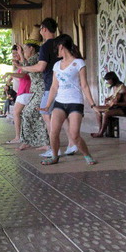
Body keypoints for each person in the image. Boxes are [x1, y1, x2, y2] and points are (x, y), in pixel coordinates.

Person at [19, 18, 77, 155]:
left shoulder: (46, 46)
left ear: (44, 29)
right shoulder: (61, 44)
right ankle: (72, 144)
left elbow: (41, 67)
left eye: (40, 30)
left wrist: (25, 68)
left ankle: (53, 148)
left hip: (51, 86)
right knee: (64, 117)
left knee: (46, 115)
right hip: (66, 84)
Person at [39, 34, 98, 165]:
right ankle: (54, 156)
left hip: (75, 102)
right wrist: (48, 105)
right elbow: (54, 86)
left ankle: (87, 155)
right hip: (60, 102)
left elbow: (84, 85)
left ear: (61, 46)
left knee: (74, 134)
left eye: (56, 49)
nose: (55, 52)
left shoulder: (79, 63)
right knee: (53, 132)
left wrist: (93, 105)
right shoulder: (56, 65)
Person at [16, 41, 49, 150]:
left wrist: (20, 61)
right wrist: (21, 56)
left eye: (25, 49)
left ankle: (36, 141)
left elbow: (24, 70)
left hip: (41, 89)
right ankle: (34, 141)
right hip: (37, 90)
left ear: (32, 48)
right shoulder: (34, 58)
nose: (24, 52)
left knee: (28, 112)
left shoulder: (37, 58)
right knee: (35, 114)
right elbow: (26, 66)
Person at [4, 44, 32, 143]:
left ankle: (18, 137)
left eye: (17, 53)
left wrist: (9, 73)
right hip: (22, 92)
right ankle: (22, 137)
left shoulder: (26, 64)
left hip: (26, 92)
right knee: (21, 115)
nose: (14, 55)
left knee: (16, 113)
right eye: (13, 54)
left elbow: (22, 75)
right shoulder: (20, 66)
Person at [91, 71, 126, 138]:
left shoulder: (123, 89)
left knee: (105, 114)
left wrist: (117, 103)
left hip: (123, 109)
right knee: (97, 110)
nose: (108, 82)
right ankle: (100, 130)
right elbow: (115, 95)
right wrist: (109, 98)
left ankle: (101, 133)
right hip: (115, 107)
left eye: (108, 80)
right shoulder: (115, 87)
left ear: (113, 79)